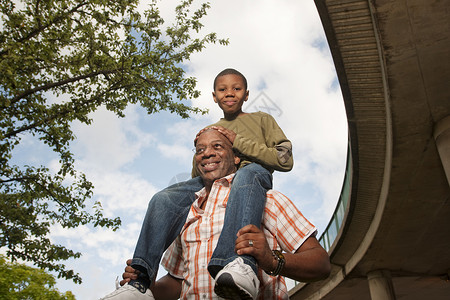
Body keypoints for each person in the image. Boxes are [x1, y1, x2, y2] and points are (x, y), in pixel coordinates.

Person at [100, 69, 294, 300]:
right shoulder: (211, 129)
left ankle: (238, 264)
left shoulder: (262, 119)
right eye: (223, 89)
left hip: (252, 174)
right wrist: (204, 150)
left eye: (236, 89)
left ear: (246, 94)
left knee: (245, 176)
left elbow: (285, 159)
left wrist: (237, 141)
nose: (229, 93)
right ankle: (139, 280)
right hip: (215, 182)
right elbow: (201, 174)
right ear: (214, 96)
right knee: (163, 199)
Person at [117, 128, 331, 300]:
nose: (207, 153)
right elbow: (176, 283)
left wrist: (271, 260)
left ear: (236, 157)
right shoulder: (185, 212)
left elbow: (321, 264)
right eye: (200, 150)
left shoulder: (268, 200)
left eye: (217, 146)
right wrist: (148, 284)